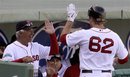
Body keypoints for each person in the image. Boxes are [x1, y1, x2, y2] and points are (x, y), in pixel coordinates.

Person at [59, 4, 128, 77]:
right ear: (103, 20)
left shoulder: (85, 34)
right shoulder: (114, 36)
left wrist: (70, 19)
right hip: (106, 74)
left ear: (91, 19)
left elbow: (63, 39)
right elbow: (124, 59)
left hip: (88, 74)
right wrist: (113, 60)